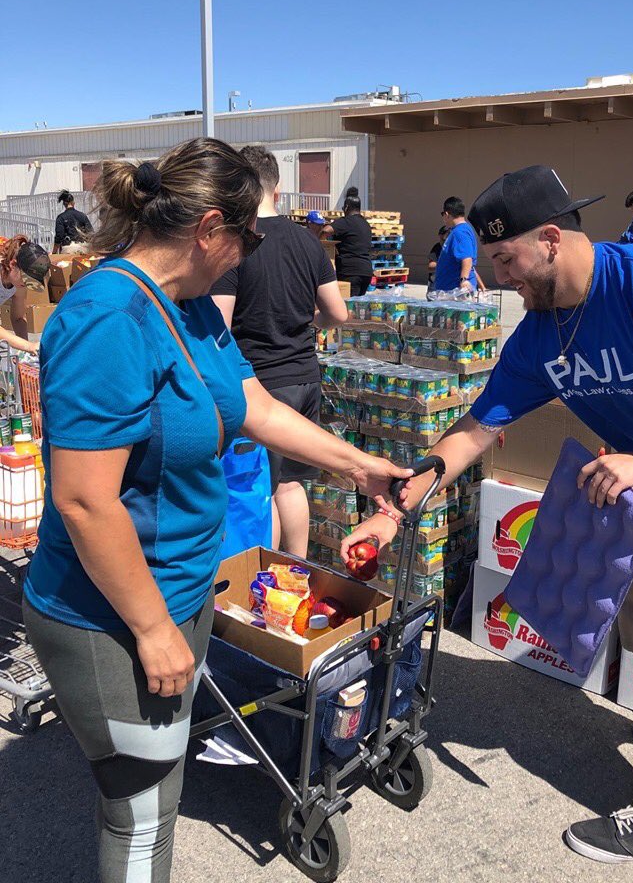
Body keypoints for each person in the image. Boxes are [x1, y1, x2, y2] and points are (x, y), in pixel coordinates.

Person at [343, 163, 633, 865]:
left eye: (507, 261)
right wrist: (396, 508)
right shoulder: (541, 334)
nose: (501, 277)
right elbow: (476, 428)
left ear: (550, 238)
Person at [22, 137, 409, 883]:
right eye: (250, 235)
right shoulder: (110, 319)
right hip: (108, 614)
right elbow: (82, 498)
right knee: (140, 814)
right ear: (208, 229)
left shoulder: (191, 308)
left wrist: (359, 464)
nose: (252, 252)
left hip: (181, 586)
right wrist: (152, 628)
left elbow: (253, 403)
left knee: (164, 781)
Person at [211, 145, 348, 557]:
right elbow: (337, 312)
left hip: (261, 385)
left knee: (260, 489)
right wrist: (309, 326)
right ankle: (297, 569)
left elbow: (218, 325)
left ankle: (262, 582)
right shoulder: (308, 242)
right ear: (278, 187)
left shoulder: (239, 245)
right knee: (290, 483)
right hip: (305, 375)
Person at [0, 235, 51, 352]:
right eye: (26, 279)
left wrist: (25, 352)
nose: (27, 284)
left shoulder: (19, 284)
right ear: (13, 265)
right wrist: (27, 346)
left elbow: (18, 318)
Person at [432, 196, 478, 292]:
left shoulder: (460, 232)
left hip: (455, 292)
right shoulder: (459, 230)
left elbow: (467, 258)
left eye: (442, 214)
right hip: (449, 290)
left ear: (447, 214)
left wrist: (464, 280)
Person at [331, 193, 373, 296]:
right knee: (358, 306)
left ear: (346, 207)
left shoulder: (345, 222)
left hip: (350, 272)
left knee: (349, 308)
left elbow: (326, 230)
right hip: (366, 272)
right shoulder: (366, 224)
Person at [54, 189, 93, 253]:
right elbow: (90, 232)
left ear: (64, 203)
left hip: (68, 249)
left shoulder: (61, 217)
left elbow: (59, 237)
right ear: (73, 202)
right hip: (83, 248)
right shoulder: (82, 215)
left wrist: (54, 252)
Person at [427, 225, 449, 291]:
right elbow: (431, 266)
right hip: (436, 284)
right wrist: (447, 264)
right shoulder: (437, 248)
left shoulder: (455, 248)